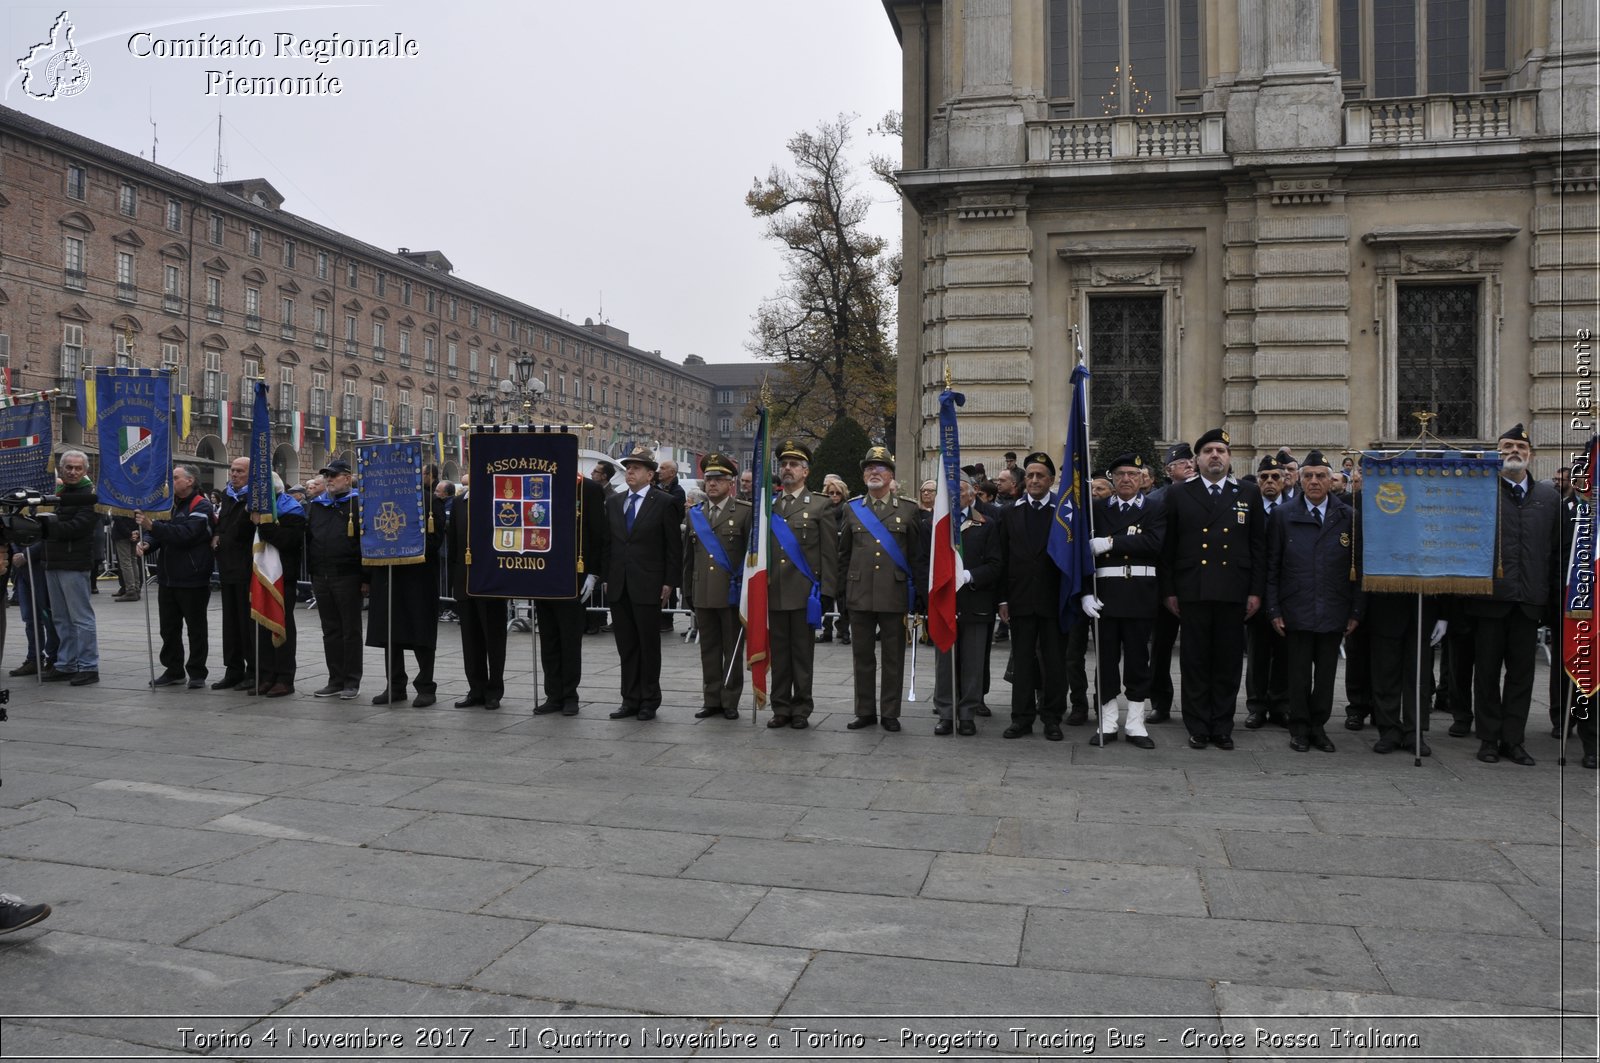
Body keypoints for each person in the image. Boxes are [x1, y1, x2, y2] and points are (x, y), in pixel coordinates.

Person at [1161, 428, 1265, 750]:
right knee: (1194, 661)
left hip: (1233, 590)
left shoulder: (1247, 493)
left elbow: (1258, 545)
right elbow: (1168, 548)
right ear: (1198, 459)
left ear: (1230, 458)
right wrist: (1169, 591)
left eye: (1220, 450)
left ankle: (1222, 724)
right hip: (1193, 589)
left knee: (1228, 662)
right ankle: (1197, 725)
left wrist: (1255, 591)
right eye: (1208, 451)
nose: (1215, 455)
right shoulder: (1179, 493)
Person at [1463, 424, 1561, 766]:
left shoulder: (1549, 497)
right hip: (1490, 600)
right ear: (1496, 452)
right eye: (1506, 446)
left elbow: (1556, 552)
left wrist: (1549, 601)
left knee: (1522, 675)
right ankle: (1489, 739)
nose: (1513, 452)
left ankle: (1514, 741)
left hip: (1528, 600)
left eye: (1520, 446)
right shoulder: (1480, 491)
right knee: (1487, 673)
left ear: (1530, 454)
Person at [1266, 451, 1362, 753]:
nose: (1314, 482)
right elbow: (1273, 566)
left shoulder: (1347, 516)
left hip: (1334, 607)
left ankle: (1318, 727)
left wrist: (1356, 610)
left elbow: (1358, 568)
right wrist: (1274, 609)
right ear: (1299, 480)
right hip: (1297, 607)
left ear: (1331, 479)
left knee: (1325, 676)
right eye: (1308, 476)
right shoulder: (1284, 515)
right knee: (1297, 674)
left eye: (1321, 476)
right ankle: (1299, 727)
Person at [1082, 453, 1165, 748]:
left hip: (1140, 593)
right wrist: (1085, 592)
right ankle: (1107, 722)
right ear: (1112, 479)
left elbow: (1155, 543)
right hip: (1105, 594)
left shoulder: (1155, 507)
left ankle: (1135, 724)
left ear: (1143, 478)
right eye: (1120, 474)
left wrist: (1112, 542)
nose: (1126, 479)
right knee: (1105, 661)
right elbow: (1083, 552)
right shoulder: (1097, 509)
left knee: (1137, 661)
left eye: (1132, 473)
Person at [838, 446, 923, 732]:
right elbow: (843, 555)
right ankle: (864, 710)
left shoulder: (909, 510)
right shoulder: (851, 509)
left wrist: (918, 596)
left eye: (881, 468)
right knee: (862, 656)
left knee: (892, 657)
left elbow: (915, 556)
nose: (874, 472)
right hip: (859, 594)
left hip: (893, 594)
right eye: (869, 468)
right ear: (863, 475)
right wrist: (841, 596)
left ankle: (890, 712)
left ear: (891, 475)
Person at [604, 446, 683, 721]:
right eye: (628, 468)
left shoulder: (663, 502)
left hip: (649, 583)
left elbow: (673, 546)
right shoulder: (614, 502)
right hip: (619, 583)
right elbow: (609, 544)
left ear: (651, 475)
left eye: (636, 468)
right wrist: (606, 576)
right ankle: (629, 698)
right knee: (626, 645)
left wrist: (670, 582)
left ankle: (649, 699)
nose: (630, 472)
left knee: (648, 645)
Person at [995, 451, 1068, 741]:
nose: (1034, 480)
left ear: (1051, 480)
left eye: (1040, 475)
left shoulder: (1063, 513)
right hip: (1020, 598)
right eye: (1030, 475)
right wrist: (1002, 599)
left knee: (1054, 662)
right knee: (1023, 661)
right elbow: (1002, 557)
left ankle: (1052, 717)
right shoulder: (1009, 512)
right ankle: (1021, 718)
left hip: (1054, 600)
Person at [767, 441, 838, 728]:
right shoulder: (769, 505)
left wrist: (827, 593)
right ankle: (780, 707)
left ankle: (801, 709)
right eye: (784, 464)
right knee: (779, 654)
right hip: (774, 591)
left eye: (793, 464)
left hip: (804, 592)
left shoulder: (820, 505)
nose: (787, 469)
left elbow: (829, 553)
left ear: (805, 472)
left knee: (801, 654)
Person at [366, 465, 446, 707]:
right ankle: (395, 684)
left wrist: (402, 543)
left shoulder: (430, 502)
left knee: (420, 631)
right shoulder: (378, 501)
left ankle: (425, 686)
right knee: (390, 632)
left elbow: (434, 540)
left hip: (417, 577)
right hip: (387, 574)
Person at [929, 477, 1002, 736]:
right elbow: (922, 561)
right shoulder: (936, 524)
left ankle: (967, 713)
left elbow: (996, 564)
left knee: (972, 662)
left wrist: (969, 576)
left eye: (959, 490)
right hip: (943, 603)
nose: (954, 494)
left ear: (972, 495)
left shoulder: (987, 524)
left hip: (975, 601)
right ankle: (946, 713)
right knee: (944, 661)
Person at [533, 470, 607, 716]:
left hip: (574, 573)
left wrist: (594, 573)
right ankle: (552, 694)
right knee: (549, 638)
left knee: (570, 639)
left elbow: (597, 534)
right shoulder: (539, 484)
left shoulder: (589, 488)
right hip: (544, 573)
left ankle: (569, 694)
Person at [683, 454, 751, 721]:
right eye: (709, 479)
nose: (712, 484)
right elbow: (688, 557)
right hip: (703, 591)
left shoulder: (744, 513)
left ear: (730, 483)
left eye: (718, 479)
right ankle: (711, 698)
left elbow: (750, 556)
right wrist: (687, 589)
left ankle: (730, 699)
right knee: (708, 649)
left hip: (731, 592)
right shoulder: (695, 515)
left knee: (731, 648)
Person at [137, 464, 217, 689]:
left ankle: (197, 672)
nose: (170, 482)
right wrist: (148, 542)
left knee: (196, 628)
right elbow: (163, 531)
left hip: (193, 577)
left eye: (175, 477)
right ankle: (173, 670)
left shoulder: (200, 504)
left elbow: (186, 534)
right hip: (168, 577)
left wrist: (151, 526)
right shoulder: (169, 505)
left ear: (190, 481)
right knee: (168, 628)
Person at [38, 450, 101, 685]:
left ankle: (88, 665)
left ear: (85, 470)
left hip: (74, 563)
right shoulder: (58, 492)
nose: (73, 471)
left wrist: (46, 526)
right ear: (61, 469)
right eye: (69, 467)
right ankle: (66, 663)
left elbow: (79, 526)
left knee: (81, 618)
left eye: (78, 468)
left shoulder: (88, 495)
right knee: (61, 618)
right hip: (52, 560)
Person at [306, 458, 365, 699]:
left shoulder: (358, 504)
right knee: (330, 629)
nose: (329, 479)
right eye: (327, 476)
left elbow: (365, 542)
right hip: (321, 573)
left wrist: (365, 578)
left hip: (348, 574)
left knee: (350, 630)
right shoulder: (318, 505)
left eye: (334, 475)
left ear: (348, 478)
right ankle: (335, 678)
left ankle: (351, 680)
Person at [1145, 442, 1196, 723]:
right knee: (1161, 648)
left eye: (1190, 461)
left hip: (1196, 583)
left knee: (1196, 649)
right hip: (1165, 584)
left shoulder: (1206, 494)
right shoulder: (1157, 499)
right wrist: (1166, 588)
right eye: (1181, 462)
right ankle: (1160, 702)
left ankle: (1195, 703)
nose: (1188, 464)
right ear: (1168, 470)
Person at [450, 473, 509, 711]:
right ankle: (476, 688)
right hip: (465, 579)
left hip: (490, 581)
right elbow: (453, 539)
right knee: (470, 640)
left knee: (493, 639)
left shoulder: (496, 501)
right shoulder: (459, 502)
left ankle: (494, 690)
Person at [249, 473, 306, 697]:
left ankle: (284, 677)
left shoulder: (292, 510)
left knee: (281, 624)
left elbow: (287, 541)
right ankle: (267, 674)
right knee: (260, 626)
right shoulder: (252, 510)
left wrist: (263, 524)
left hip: (283, 576)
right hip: (260, 574)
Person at [1243, 454, 1290, 729]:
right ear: (1258, 481)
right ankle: (1257, 705)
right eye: (1264, 477)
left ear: (1284, 481)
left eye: (1275, 477)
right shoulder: (1248, 509)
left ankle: (1281, 704)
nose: (1270, 482)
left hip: (1286, 593)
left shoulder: (1294, 508)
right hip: (1258, 592)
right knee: (1257, 652)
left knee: (1284, 652)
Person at [212, 457, 257, 691]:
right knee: (230, 624)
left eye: (240, 471)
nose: (234, 474)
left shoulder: (255, 496)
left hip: (247, 566)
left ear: (250, 473)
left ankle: (253, 670)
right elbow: (223, 523)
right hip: (227, 565)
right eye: (232, 470)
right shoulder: (228, 495)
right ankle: (233, 669)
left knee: (246, 623)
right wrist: (217, 534)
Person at [8, 538, 57, 677]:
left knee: (47, 616)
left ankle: (54, 658)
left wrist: (25, 555)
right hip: (22, 569)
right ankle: (34, 658)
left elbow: (47, 536)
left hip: (40, 567)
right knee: (30, 619)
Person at [817, 474, 849, 644]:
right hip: (827, 559)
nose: (834, 496)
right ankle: (826, 630)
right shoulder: (822, 510)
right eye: (831, 493)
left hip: (843, 559)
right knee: (827, 595)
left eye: (837, 493)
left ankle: (844, 631)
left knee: (843, 597)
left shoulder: (847, 511)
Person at [110, 513, 140, 601]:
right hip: (133, 531)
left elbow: (117, 517)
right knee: (133, 561)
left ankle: (131, 590)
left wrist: (128, 533)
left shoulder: (119, 500)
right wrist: (135, 532)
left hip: (122, 535)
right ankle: (136, 588)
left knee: (126, 563)